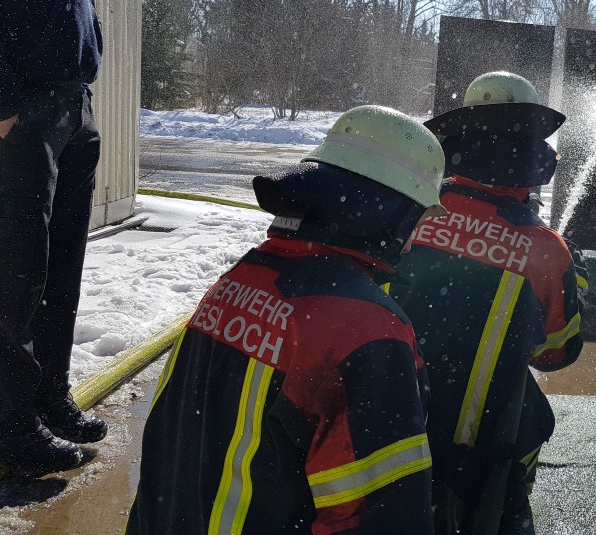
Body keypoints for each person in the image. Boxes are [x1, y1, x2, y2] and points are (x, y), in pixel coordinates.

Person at [125, 105, 446, 534]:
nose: (415, 241)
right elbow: (382, 515)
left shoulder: (242, 279)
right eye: (420, 221)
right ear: (393, 215)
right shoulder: (367, 330)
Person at [390, 71, 585, 534]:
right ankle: (512, 512)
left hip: (394, 424)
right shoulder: (544, 250)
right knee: (532, 421)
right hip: (485, 445)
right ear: (534, 157)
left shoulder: (407, 216)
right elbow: (555, 354)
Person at [0, 0, 107, 478]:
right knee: (15, 274)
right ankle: (10, 425)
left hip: (71, 105)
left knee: (59, 272)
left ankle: (48, 397)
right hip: (23, 108)